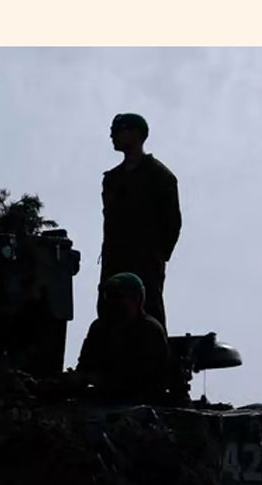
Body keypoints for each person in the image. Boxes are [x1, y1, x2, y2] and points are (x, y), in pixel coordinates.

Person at [99, 113, 181, 331]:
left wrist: (155, 254)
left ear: (136, 134)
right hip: (114, 260)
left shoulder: (160, 177)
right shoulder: (112, 180)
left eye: (119, 130)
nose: (112, 136)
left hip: (145, 262)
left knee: (149, 315)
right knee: (109, 314)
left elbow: (172, 224)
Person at [76, 272, 169, 399]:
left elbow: (150, 376)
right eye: (108, 297)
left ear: (136, 299)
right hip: (103, 398)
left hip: (140, 399)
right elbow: (85, 365)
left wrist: (104, 380)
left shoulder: (150, 330)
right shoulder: (99, 328)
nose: (111, 303)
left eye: (117, 297)